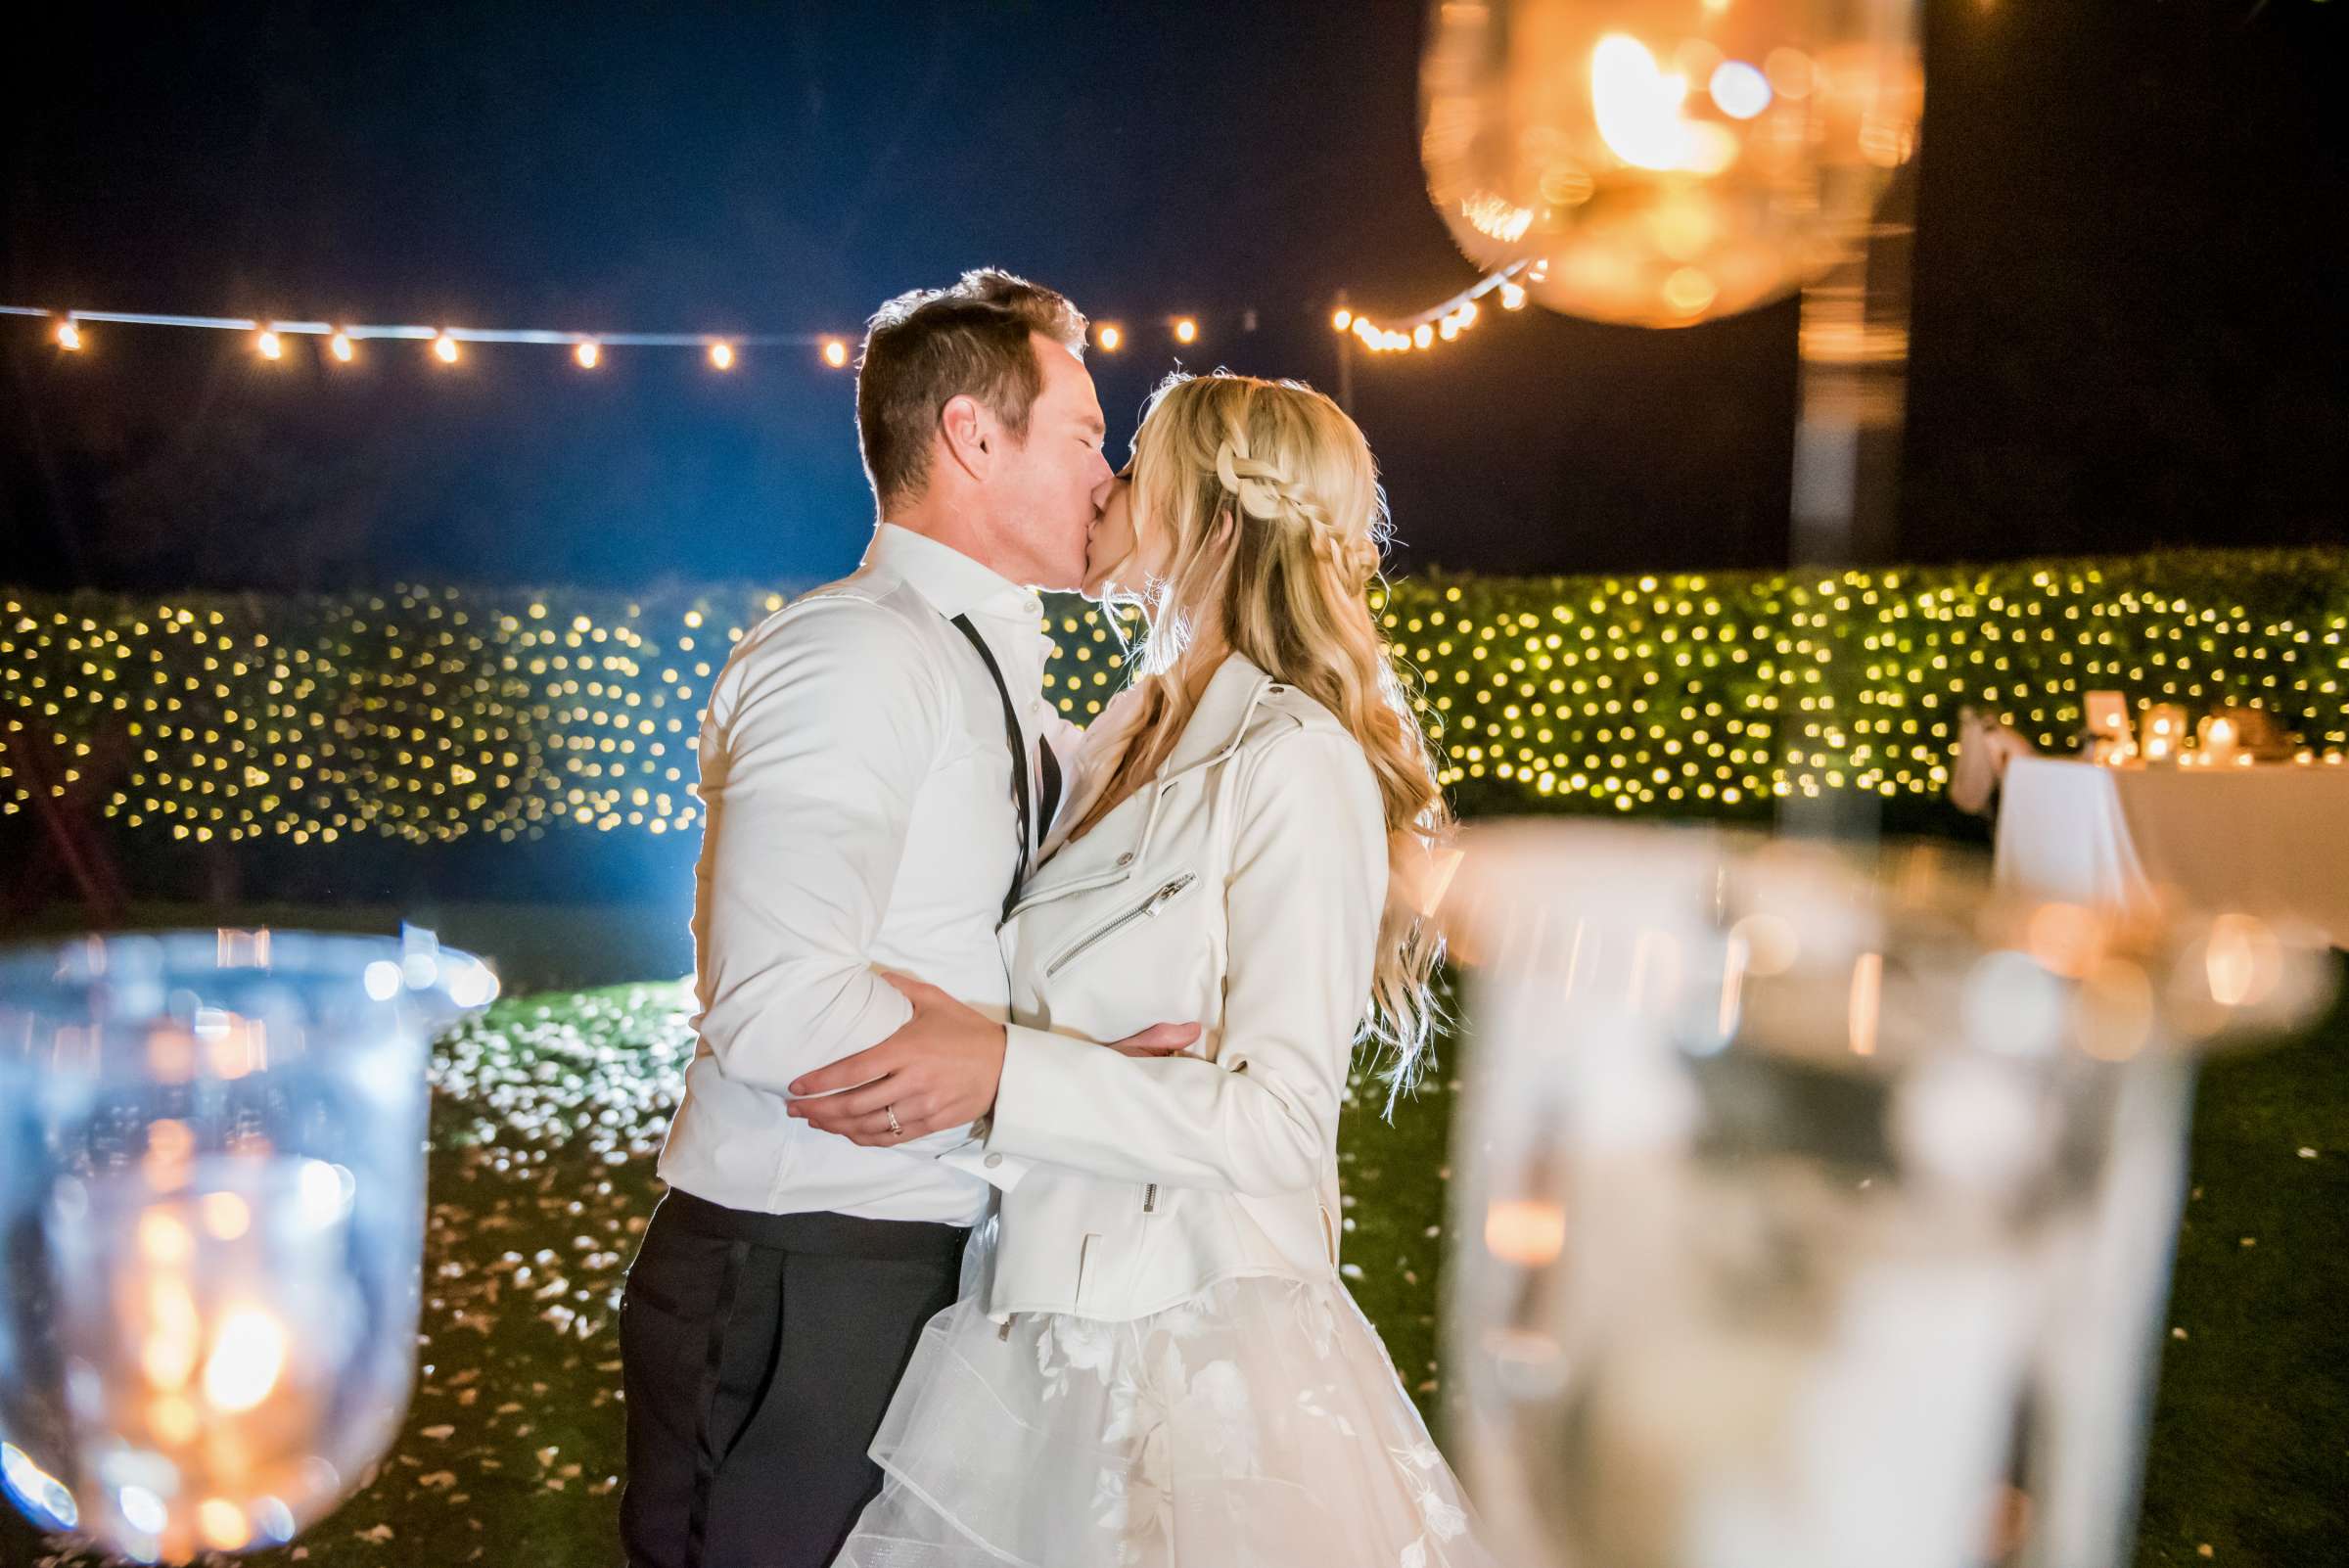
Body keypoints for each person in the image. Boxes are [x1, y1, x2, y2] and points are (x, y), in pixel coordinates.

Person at [790, 371, 1495, 1566]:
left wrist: (1008, 1074)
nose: (1106, 487)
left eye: (1137, 467)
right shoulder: (1124, 726)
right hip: (1034, 1322)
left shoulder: (1291, 761)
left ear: (1215, 518)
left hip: (1195, 1356)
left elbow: (1279, 1124)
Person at [618, 269, 1193, 1568]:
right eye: (1087, 436)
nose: (1112, 479)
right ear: (973, 438)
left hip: (927, 1258)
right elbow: (777, 1001)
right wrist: (1030, 1076)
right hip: (796, 1272)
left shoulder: (999, 672)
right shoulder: (854, 654)